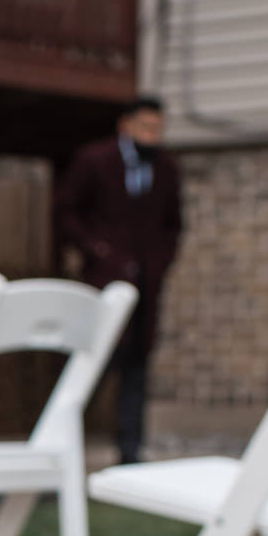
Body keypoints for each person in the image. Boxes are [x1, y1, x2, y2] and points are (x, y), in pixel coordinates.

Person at [54, 95, 182, 466]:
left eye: (158, 128)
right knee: (90, 367)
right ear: (125, 126)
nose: (152, 135)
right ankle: (63, 449)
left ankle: (130, 452)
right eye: (145, 127)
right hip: (103, 286)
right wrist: (98, 251)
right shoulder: (94, 161)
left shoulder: (167, 168)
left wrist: (160, 262)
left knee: (136, 372)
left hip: (147, 286)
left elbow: (174, 225)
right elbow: (66, 213)